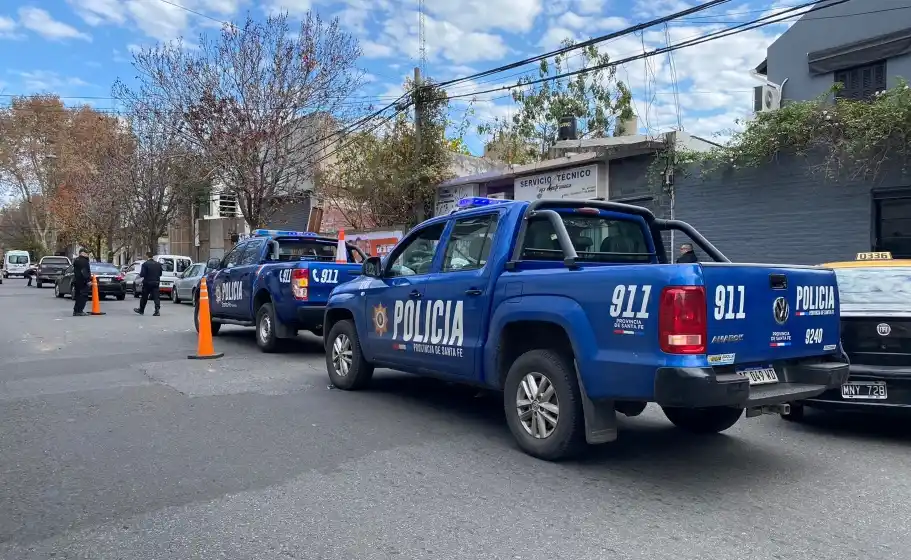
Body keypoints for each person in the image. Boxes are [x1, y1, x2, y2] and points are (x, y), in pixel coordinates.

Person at [134, 252, 162, 316]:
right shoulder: (158, 264)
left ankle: (141, 310)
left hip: (147, 283)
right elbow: (160, 274)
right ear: (153, 257)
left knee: (144, 297)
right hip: (156, 283)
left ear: (147, 256)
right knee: (156, 297)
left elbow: (142, 274)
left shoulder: (145, 264)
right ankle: (157, 311)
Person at [72, 249, 92, 316]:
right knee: (83, 296)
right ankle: (79, 311)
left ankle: (76, 310)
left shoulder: (77, 260)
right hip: (82, 282)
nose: (87, 254)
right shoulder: (83, 261)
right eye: (86, 253)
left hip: (77, 280)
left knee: (78, 296)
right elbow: (84, 271)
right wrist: (87, 280)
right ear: (82, 253)